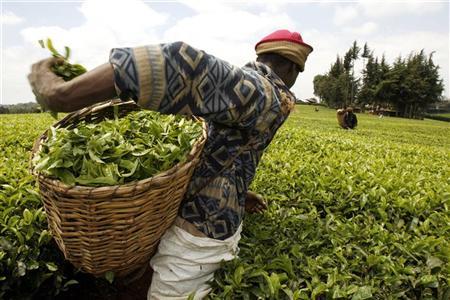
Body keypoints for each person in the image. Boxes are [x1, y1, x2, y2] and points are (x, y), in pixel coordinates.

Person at [28, 29, 313, 299]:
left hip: (199, 236)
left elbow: (230, 140)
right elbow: (179, 63)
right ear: (292, 69)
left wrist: (235, 191)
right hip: (189, 222)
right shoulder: (264, 91)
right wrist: (61, 95)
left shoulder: (263, 95)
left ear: (262, 57)